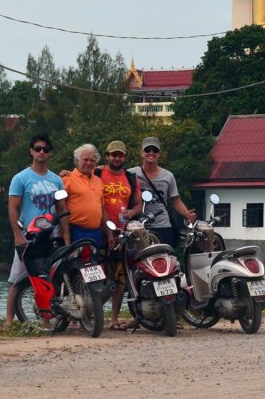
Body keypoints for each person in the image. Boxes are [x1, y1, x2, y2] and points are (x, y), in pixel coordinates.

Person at [5, 133, 69, 325]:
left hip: (50, 236)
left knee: (47, 278)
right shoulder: (21, 178)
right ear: (31, 151)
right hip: (29, 235)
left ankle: (46, 318)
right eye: (38, 149)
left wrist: (66, 236)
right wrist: (17, 235)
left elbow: (62, 209)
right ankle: (9, 320)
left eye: (45, 149)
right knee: (17, 279)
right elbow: (13, 208)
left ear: (50, 153)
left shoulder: (57, 180)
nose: (41, 152)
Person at [98, 140, 142, 330]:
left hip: (122, 233)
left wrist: (131, 213)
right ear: (107, 156)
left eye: (120, 155)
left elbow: (139, 204)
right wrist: (64, 174)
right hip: (98, 231)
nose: (117, 158)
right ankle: (89, 315)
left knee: (120, 278)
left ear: (124, 157)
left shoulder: (131, 178)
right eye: (113, 154)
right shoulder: (98, 173)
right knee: (96, 275)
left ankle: (114, 319)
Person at [127, 136, 196, 248]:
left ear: (159, 154)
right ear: (141, 153)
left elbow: (175, 200)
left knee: (166, 257)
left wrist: (187, 214)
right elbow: (115, 175)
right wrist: (100, 170)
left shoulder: (168, 176)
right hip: (139, 225)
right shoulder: (132, 174)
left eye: (155, 150)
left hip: (162, 224)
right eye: (147, 150)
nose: (151, 153)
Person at [63, 143, 109, 249]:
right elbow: (60, 209)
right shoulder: (67, 178)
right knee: (77, 265)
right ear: (77, 160)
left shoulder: (98, 181)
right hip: (76, 231)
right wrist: (65, 236)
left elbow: (102, 209)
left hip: (96, 232)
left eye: (92, 160)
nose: (89, 163)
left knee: (94, 264)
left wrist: (109, 233)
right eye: (85, 159)